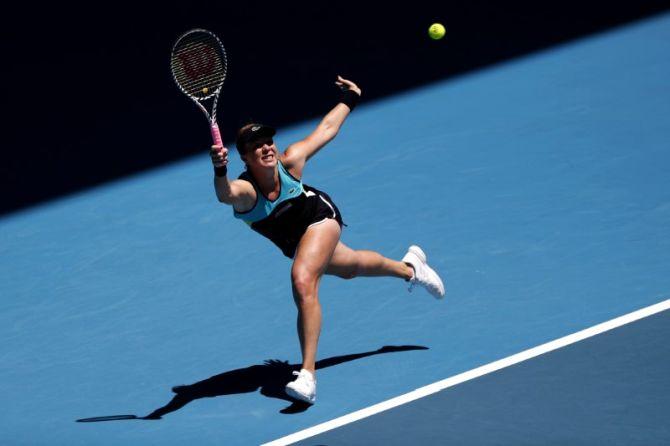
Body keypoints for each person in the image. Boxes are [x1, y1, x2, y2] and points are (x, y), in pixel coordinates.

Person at [209, 75, 445, 405]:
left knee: (303, 279)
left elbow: (326, 129)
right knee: (353, 267)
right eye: (255, 146)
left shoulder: (289, 161)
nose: (266, 148)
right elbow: (225, 195)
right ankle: (411, 268)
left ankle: (307, 376)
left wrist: (351, 98)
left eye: (268, 142)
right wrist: (220, 171)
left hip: (321, 219)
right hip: (299, 242)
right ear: (245, 158)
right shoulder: (246, 192)